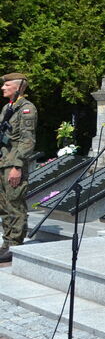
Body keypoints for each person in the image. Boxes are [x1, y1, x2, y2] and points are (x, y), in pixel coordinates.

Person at [0, 72, 37, 263]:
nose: (3, 88)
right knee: (4, 205)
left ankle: (15, 245)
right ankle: (6, 242)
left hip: (14, 163)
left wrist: (18, 166)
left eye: (7, 86)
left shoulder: (27, 109)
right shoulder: (8, 107)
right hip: (3, 162)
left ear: (18, 87)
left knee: (15, 203)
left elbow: (27, 140)